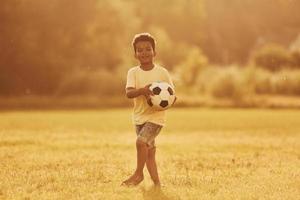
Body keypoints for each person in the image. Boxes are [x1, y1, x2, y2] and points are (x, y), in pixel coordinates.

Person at [122, 32, 175, 186]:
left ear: (154, 52)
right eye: (140, 50)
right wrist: (143, 91)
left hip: (156, 118)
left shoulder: (162, 72)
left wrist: (163, 103)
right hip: (139, 118)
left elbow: (172, 95)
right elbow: (129, 93)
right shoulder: (133, 72)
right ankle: (157, 183)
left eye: (148, 49)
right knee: (149, 153)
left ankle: (138, 174)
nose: (144, 52)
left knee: (140, 143)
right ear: (135, 54)